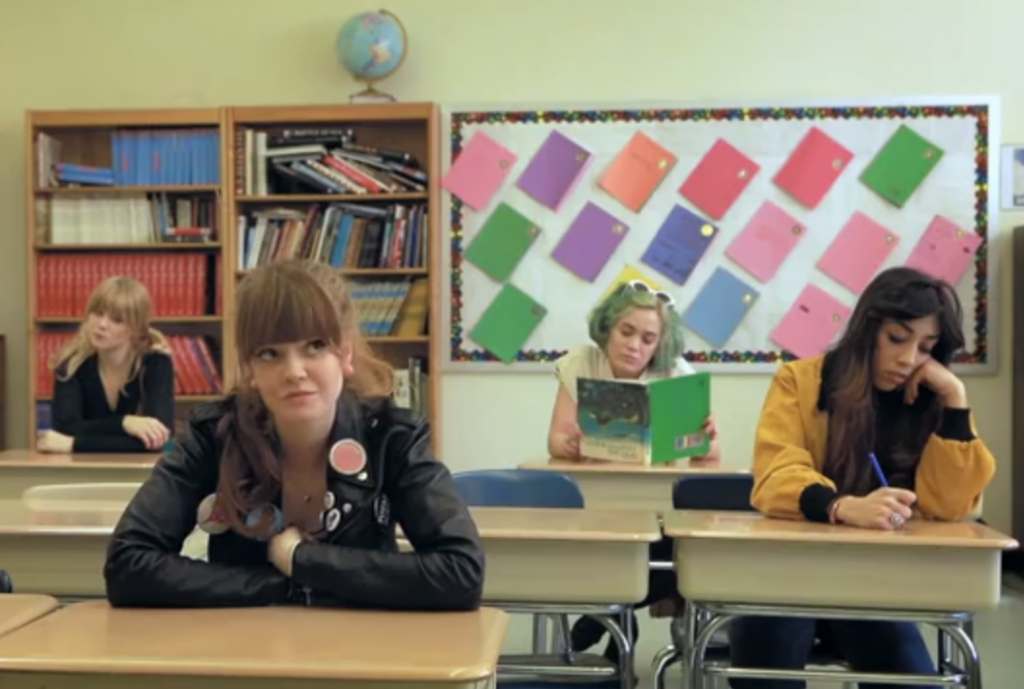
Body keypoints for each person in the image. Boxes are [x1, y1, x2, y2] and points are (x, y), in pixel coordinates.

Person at [103, 259, 484, 611]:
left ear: (344, 354)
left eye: (315, 347)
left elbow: (461, 573)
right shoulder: (212, 434)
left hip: (364, 648)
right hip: (243, 646)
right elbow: (127, 564)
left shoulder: (393, 436)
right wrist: (285, 583)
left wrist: (302, 559)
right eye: (270, 354)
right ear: (249, 368)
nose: (294, 371)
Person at [730, 267, 996, 689]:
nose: (908, 359)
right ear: (867, 328)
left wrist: (956, 401)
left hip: (875, 581)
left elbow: (951, 507)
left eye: (926, 347)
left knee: (909, 675)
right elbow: (776, 473)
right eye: (897, 338)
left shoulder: (934, 401)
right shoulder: (800, 381)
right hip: (786, 572)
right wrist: (842, 507)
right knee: (769, 649)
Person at [546, 278, 721, 662]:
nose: (634, 345)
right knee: (600, 555)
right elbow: (555, 441)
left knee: (677, 557)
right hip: (592, 511)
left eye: (647, 338)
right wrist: (569, 444)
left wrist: (707, 443)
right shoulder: (582, 363)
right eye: (626, 332)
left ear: (660, 344)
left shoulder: (676, 374)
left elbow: (707, 461)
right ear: (608, 328)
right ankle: (617, 621)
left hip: (655, 515)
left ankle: (608, 616)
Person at [38, 276, 175, 454]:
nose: (102, 325)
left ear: (136, 328)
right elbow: (66, 428)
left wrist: (74, 444)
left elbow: (158, 439)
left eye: (117, 320)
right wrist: (125, 423)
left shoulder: (155, 363)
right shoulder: (71, 364)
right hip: (81, 467)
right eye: (97, 313)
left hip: (140, 468)